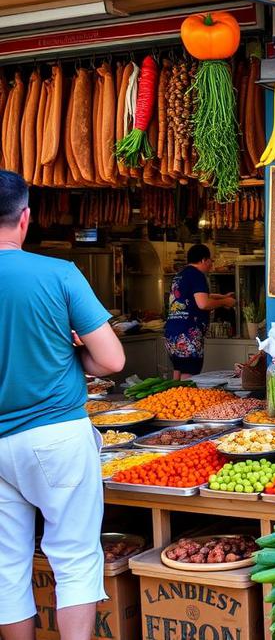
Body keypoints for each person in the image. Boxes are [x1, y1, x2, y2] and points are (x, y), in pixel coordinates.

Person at [0, 170, 126, 640]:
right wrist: (72, 352)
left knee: (5, 565)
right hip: (56, 434)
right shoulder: (58, 273)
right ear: (26, 218)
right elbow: (112, 361)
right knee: (73, 557)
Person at [164, 244, 236, 379]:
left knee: (178, 369)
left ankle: (174, 398)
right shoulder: (197, 275)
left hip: (172, 332)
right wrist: (225, 302)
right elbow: (203, 303)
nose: (211, 264)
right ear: (203, 260)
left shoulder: (180, 275)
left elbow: (193, 297)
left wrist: (221, 296)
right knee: (189, 372)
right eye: (210, 260)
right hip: (187, 333)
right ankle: (186, 399)